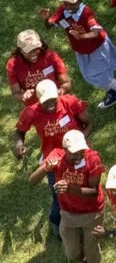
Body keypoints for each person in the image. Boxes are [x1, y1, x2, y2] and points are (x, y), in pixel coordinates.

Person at [39, 0, 116, 115]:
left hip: (97, 48)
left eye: (70, 2)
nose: (67, 5)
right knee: (90, 77)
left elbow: (95, 33)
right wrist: (45, 19)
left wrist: (80, 36)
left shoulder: (86, 12)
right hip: (81, 50)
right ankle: (115, 94)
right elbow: (50, 26)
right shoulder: (62, 10)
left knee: (103, 78)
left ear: (78, 1)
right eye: (64, 2)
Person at [14, 79, 92, 238]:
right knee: (59, 196)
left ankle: (86, 218)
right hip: (53, 159)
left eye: (52, 99)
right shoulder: (31, 112)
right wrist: (19, 144)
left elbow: (89, 123)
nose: (50, 104)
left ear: (58, 93)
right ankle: (56, 222)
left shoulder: (70, 102)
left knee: (84, 188)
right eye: (45, 101)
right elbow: (19, 131)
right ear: (38, 99)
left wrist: (78, 141)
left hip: (78, 154)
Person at [29, 129, 105, 263]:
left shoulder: (92, 159)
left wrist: (70, 188)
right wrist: (45, 168)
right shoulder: (56, 156)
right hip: (68, 211)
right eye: (74, 153)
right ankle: (80, 262)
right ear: (64, 151)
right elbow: (32, 180)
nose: (79, 156)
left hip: (91, 212)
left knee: (91, 245)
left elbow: (93, 192)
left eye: (81, 151)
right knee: (71, 248)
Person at [7, 29, 70, 106]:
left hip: (56, 100)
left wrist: (61, 91)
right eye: (29, 51)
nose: (34, 53)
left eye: (36, 49)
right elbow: (15, 93)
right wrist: (23, 96)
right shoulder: (13, 64)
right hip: (35, 106)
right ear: (21, 51)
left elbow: (66, 83)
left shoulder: (51, 57)